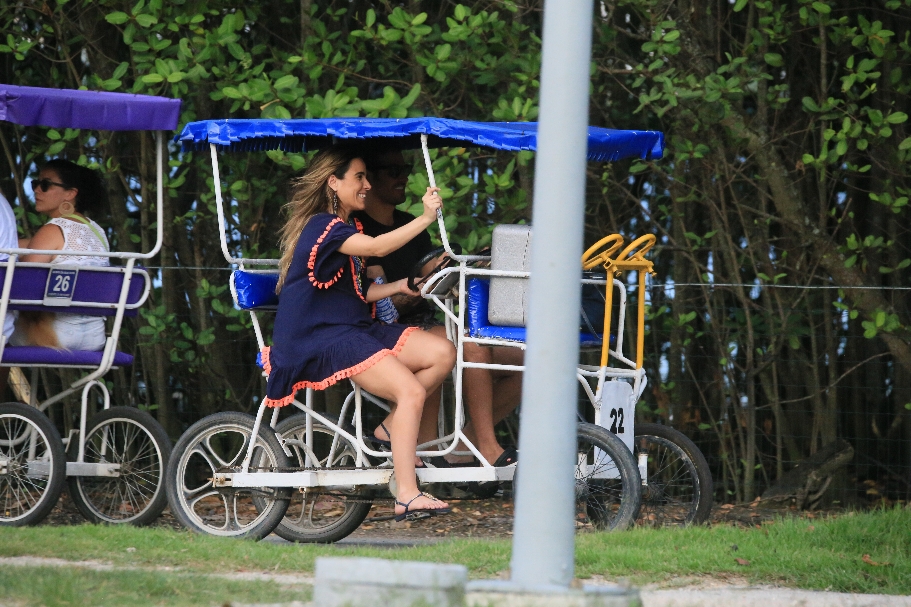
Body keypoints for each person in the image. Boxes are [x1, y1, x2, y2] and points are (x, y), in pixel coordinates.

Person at [262, 146, 455, 522]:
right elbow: (380, 247)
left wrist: (404, 283)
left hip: (355, 328)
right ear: (334, 183)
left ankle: (388, 428)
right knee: (411, 390)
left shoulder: (349, 228)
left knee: (441, 352)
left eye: (368, 177)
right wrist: (426, 217)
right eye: (360, 178)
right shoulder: (324, 226)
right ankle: (407, 494)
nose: (367, 185)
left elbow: (359, 292)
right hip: (322, 336)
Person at [353, 147, 522, 469]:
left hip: (424, 320)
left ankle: (464, 444)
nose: (403, 177)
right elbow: (382, 302)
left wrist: (466, 266)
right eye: (393, 171)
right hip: (385, 328)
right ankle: (486, 445)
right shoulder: (358, 231)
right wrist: (423, 286)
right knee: (470, 344)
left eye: (405, 170)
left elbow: (433, 270)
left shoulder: (407, 223)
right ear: (369, 181)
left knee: (529, 360)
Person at [12, 159, 110, 351]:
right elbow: (26, 246)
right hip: (94, 336)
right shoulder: (97, 230)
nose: (37, 190)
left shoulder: (53, 229)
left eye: (45, 184)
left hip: (55, 336)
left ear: (71, 193)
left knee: (3, 326)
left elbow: (22, 287)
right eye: (35, 183)